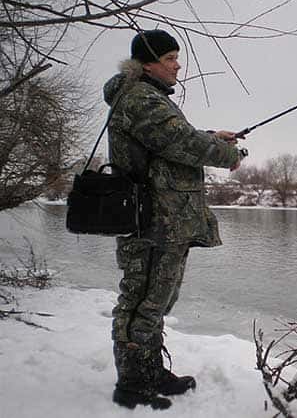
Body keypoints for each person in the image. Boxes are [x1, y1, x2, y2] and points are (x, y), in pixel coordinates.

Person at [102, 29, 244, 410]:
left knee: (156, 301)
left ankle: (149, 371)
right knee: (142, 301)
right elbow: (181, 143)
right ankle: (133, 381)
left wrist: (214, 136)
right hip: (153, 221)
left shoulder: (147, 98)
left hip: (166, 219)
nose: (178, 65)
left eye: (176, 57)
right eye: (169, 59)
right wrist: (227, 154)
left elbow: (172, 140)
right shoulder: (140, 99)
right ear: (147, 63)